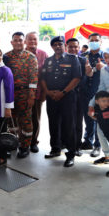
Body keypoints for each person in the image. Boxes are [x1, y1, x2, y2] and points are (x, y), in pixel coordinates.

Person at [41, 36, 81, 167]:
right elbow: (43, 78)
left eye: (60, 44)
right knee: (53, 123)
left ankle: (71, 154)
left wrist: (63, 92)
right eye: (55, 44)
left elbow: (76, 78)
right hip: (51, 97)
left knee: (69, 125)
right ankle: (55, 148)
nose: (58, 46)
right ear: (52, 47)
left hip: (67, 97)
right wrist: (47, 91)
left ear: (64, 45)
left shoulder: (72, 59)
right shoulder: (48, 60)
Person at [5, 32, 38, 158]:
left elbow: (33, 79)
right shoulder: (6, 57)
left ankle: (25, 146)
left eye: (20, 40)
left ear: (24, 42)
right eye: (16, 40)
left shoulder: (30, 57)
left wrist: (31, 96)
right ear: (11, 42)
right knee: (11, 121)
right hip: (10, 93)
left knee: (26, 122)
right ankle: (12, 144)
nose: (18, 42)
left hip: (25, 94)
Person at [80, 33, 106, 157]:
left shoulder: (105, 56)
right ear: (88, 42)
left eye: (97, 40)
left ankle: (97, 145)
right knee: (88, 118)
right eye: (92, 40)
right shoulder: (83, 56)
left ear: (101, 42)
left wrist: (104, 67)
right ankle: (88, 141)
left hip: (101, 94)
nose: (94, 42)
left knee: (99, 119)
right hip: (85, 92)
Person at [24, 31, 48, 153]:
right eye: (30, 39)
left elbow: (46, 76)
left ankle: (33, 142)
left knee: (35, 118)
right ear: (25, 41)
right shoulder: (20, 54)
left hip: (38, 93)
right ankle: (22, 142)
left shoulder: (43, 55)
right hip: (21, 94)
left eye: (35, 39)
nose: (33, 42)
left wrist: (44, 93)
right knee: (21, 118)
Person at [66, 38, 87, 156]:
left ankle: (77, 146)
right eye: (70, 47)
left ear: (79, 48)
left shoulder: (83, 60)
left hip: (79, 96)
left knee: (78, 122)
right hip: (65, 96)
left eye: (75, 47)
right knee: (66, 122)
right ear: (66, 47)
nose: (73, 49)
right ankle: (66, 144)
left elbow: (84, 78)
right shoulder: (62, 59)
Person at [88, 48, 109, 164]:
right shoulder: (104, 70)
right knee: (100, 131)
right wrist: (91, 105)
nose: (107, 60)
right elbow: (100, 89)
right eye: (106, 57)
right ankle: (107, 157)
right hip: (105, 106)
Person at [90, 91, 109, 166]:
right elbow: (95, 115)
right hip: (104, 131)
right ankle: (107, 157)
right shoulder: (96, 108)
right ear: (97, 102)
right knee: (102, 141)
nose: (106, 103)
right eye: (103, 101)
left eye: (108, 101)